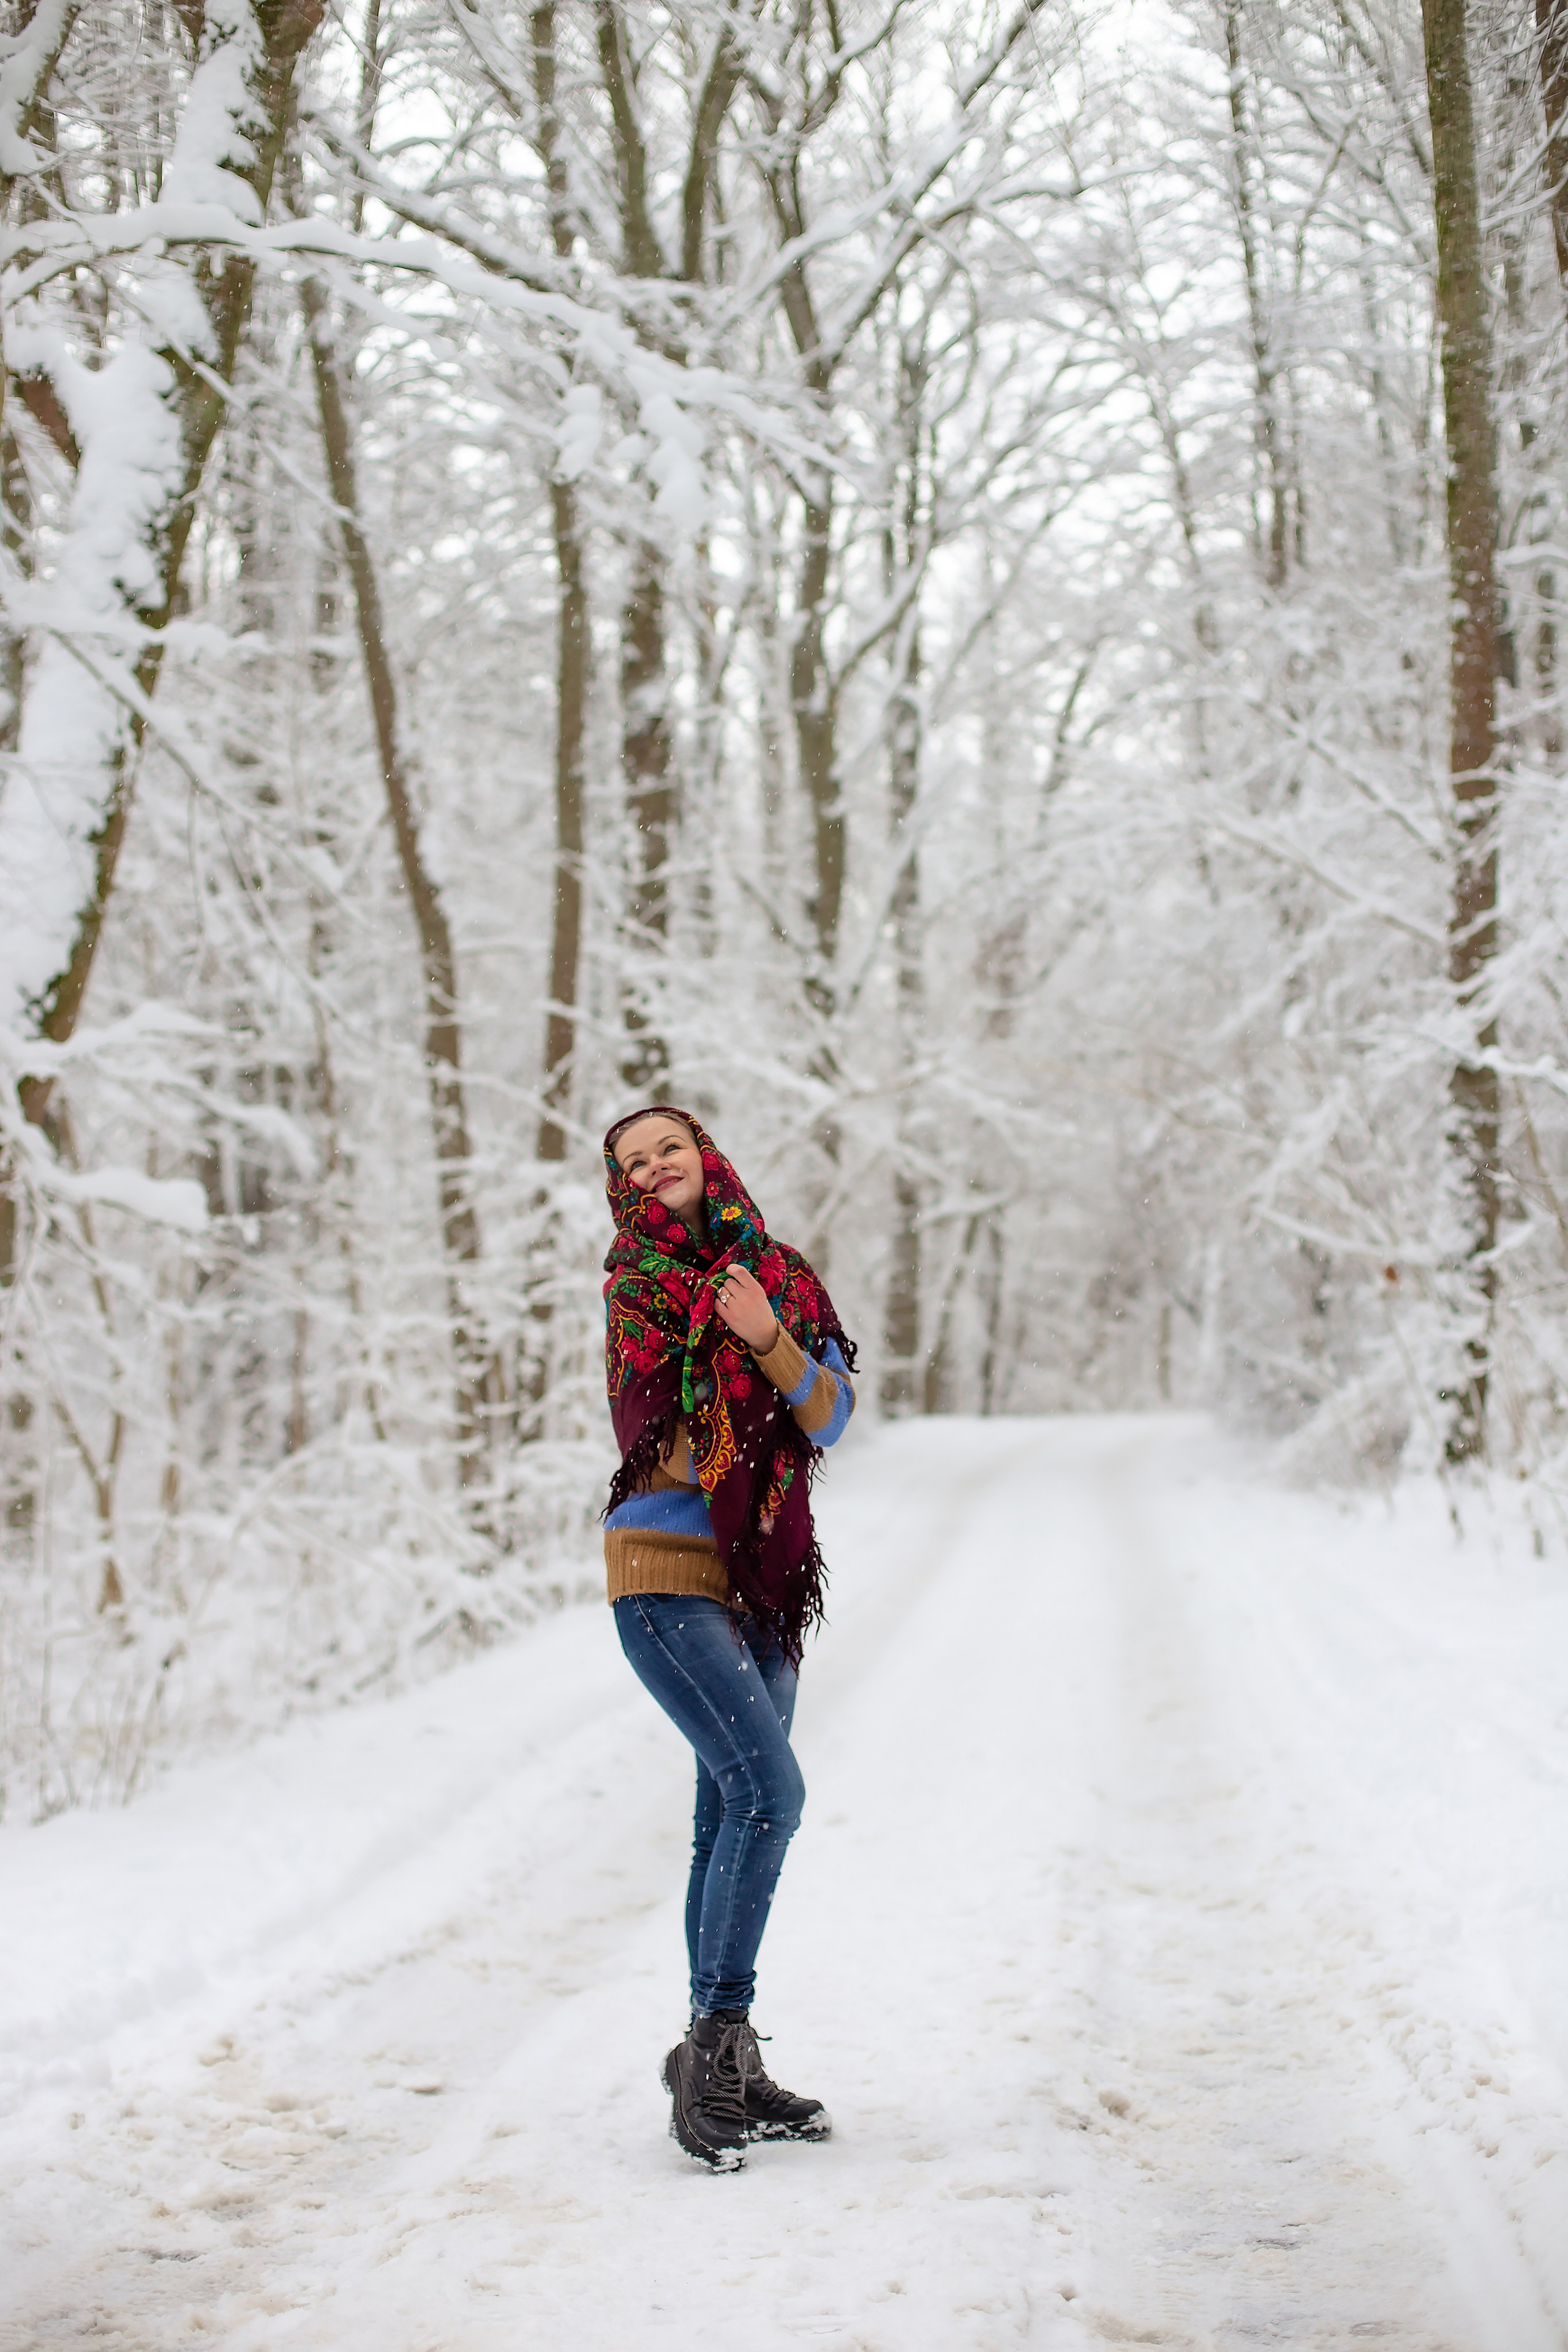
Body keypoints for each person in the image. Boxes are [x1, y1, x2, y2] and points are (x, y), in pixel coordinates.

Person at [601, 1105, 858, 2171]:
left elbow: (831, 1414)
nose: (656, 1166)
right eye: (634, 1161)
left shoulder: (781, 1276)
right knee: (769, 1793)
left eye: (669, 1146)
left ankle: (725, 2057)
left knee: (727, 1811)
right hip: (664, 1571)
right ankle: (711, 2050)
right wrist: (731, 1350)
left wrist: (764, 1337)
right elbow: (654, 1430)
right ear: (621, 1187)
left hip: (763, 1578)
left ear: (705, 1156)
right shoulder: (637, 1287)